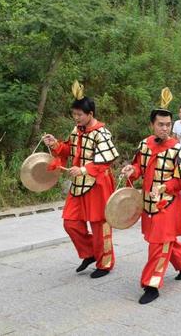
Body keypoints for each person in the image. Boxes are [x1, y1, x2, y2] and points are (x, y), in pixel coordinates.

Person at [121, 89, 181, 305]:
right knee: (163, 241)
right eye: (160, 124)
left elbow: (180, 182)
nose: (165, 128)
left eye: (168, 124)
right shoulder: (144, 145)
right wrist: (130, 171)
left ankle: (151, 284)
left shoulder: (179, 151)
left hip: (167, 203)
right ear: (152, 125)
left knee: (158, 243)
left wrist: (163, 188)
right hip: (148, 202)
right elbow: (138, 168)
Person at [44, 81, 119, 278]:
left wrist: (85, 169)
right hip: (79, 182)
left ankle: (105, 263)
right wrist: (55, 145)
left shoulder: (102, 133)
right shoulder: (77, 130)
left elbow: (107, 159)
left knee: (99, 224)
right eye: (74, 114)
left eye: (80, 115)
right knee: (70, 222)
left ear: (90, 115)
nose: (76, 118)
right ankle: (90, 253)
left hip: (98, 184)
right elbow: (69, 149)